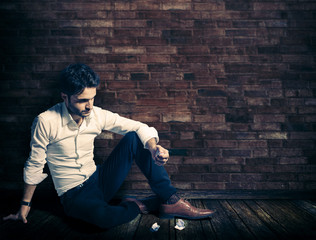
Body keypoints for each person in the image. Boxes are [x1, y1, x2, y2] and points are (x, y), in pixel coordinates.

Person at [3, 63, 215, 229]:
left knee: (135, 137)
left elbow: (139, 127)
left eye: (92, 98)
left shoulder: (96, 114)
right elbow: (34, 164)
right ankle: (140, 205)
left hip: (99, 179)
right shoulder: (45, 121)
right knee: (102, 219)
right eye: (82, 100)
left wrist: (152, 147)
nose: (89, 106)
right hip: (73, 194)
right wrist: (25, 206)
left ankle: (170, 199)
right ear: (64, 97)